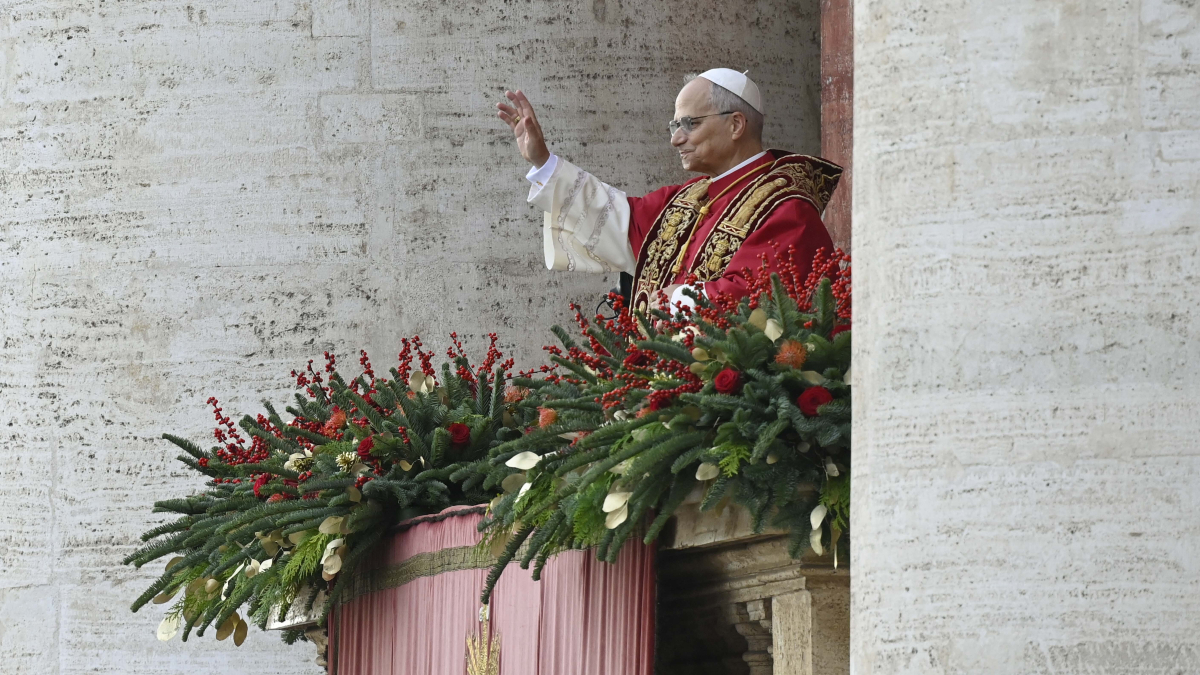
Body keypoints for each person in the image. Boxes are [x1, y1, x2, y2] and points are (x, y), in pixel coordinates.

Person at [497, 69, 841, 313]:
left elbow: (770, 298)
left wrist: (680, 300)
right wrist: (543, 161)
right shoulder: (688, 198)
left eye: (690, 124)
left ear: (736, 124)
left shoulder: (787, 207)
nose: (676, 138)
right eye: (675, 125)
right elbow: (615, 220)